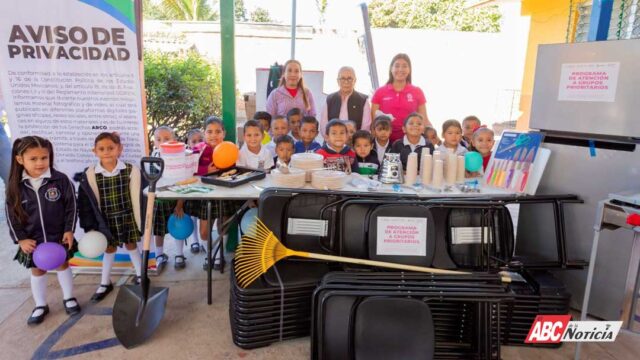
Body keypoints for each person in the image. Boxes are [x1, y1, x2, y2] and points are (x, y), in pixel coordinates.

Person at [6, 136, 80, 325]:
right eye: (33, 159)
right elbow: (11, 215)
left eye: (44, 158)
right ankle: (40, 304)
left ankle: (69, 297)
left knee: (63, 264)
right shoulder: (15, 186)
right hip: (33, 240)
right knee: (37, 270)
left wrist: (69, 230)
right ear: (20, 159)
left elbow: (72, 207)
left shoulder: (61, 180)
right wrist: (21, 239)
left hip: (58, 237)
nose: (40, 163)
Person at [77, 132, 144, 303]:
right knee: (109, 249)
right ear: (95, 151)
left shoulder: (130, 170)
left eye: (111, 148)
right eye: (101, 149)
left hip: (126, 216)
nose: (106, 152)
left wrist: (142, 220)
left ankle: (140, 275)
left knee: (131, 245)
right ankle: (105, 283)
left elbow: (138, 197)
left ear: (119, 149)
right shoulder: (90, 174)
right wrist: (89, 226)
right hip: (104, 220)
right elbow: (85, 203)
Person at [185, 116, 239, 270]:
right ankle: (209, 255)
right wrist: (205, 171)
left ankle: (218, 256)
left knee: (223, 226)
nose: (213, 135)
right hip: (205, 194)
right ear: (204, 133)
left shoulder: (230, 148)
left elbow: (236, 169)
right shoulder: (199, 149)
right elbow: (189, 168)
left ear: (224, 133)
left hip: (225, 193)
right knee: (204, 231)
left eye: (217, 131)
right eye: (209, 131)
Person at [371, 53, 431, 143]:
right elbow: (374, 121)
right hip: (385, 142)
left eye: (404, 66)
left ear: (409, 70)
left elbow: (424, 119)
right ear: (391, 69)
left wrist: (435, 138)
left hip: (410, 142)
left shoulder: (417, 91)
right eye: (397, 66)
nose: (400, 69)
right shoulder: (380, 92)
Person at [151, 126, 187, 271]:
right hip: (158, 201)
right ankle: (159, 255)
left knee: (178, 225)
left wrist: (180, 203)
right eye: (159, 139)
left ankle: (179, 254)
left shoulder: (180, 157)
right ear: (154, 142)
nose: (162, 142)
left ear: (174, 140)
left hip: (175, 200)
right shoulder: (152, 157)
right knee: (158, 230)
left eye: (167, 139)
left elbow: (184, 183)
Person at [319, 66, 371, 136]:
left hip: (355, 143)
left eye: (349, 78)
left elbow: (365, 127)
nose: (346, 82)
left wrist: (356, 143)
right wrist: (331, 141)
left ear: (355, 80)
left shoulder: (363, 100)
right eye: (342, 78)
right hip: (333, 143)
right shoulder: (329, 99)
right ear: (338, 81)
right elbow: (323, 125)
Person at [183, 128, 204, 254]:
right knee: (193, 216)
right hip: (191, 189)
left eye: (200, 140)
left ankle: (203, 241)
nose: (197, 144)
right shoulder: (186, 155)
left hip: (205, 189)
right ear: (188, 143)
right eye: (193, 141)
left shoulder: (208, 152)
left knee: (203, 217)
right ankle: (194, 241)